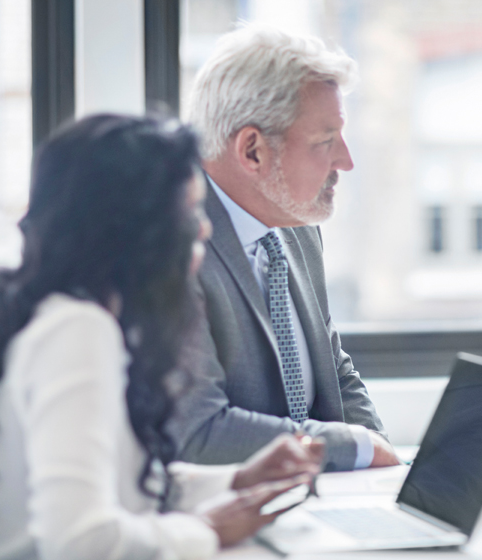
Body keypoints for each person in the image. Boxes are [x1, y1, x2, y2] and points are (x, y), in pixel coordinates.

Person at [0, 115, 325, 560]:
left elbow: (119, 483)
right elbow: (80, 543)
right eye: (189, 211)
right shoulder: (77, 330)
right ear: (134, 227)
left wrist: (238, 480)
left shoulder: (29, 310)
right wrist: (207, 530)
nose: (204, 228)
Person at [173, 24, 398, 471]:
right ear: (252, 151)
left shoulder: (295, 224)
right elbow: (197, 432)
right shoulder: (171, 250)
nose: (346, 161)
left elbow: (334, 370)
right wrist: (356, 448)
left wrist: (385, 468)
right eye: (325, 141)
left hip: (317, 504)